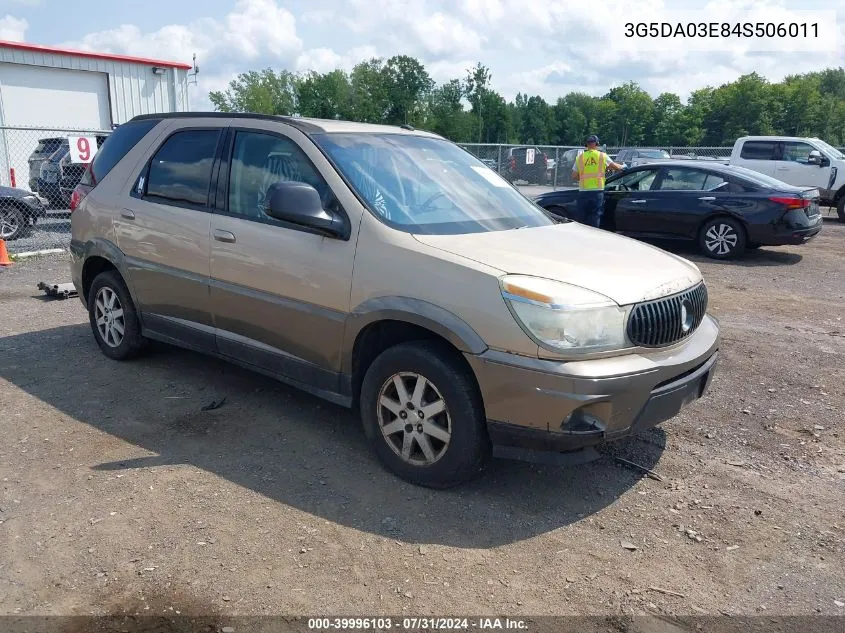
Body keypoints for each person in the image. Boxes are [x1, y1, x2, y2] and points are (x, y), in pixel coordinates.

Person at [571, 135, 625, 228]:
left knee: (581, 219)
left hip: (583, 192)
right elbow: (615, 167)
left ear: (586, 145)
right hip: (597, 192)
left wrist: (585, 179)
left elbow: (574, 176)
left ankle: (581, 238)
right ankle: (593, 238)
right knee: (594, 217)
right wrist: (623, 167)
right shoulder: (601, 156)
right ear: (596, 144)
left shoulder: (580, 157)